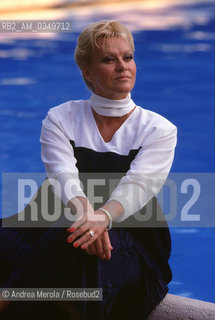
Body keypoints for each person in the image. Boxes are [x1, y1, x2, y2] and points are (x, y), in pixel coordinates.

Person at [0, 20, 177, 319]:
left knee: (68, 236)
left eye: (128, 57)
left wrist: (103, 218)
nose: (123, 66)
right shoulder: (60, 118)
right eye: (109, 59)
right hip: (57, 224)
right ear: (88, 73)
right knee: (68, 233)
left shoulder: (158, 129)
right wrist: (87, 216)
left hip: (130, 245)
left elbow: (139, 185)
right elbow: (62, 175)